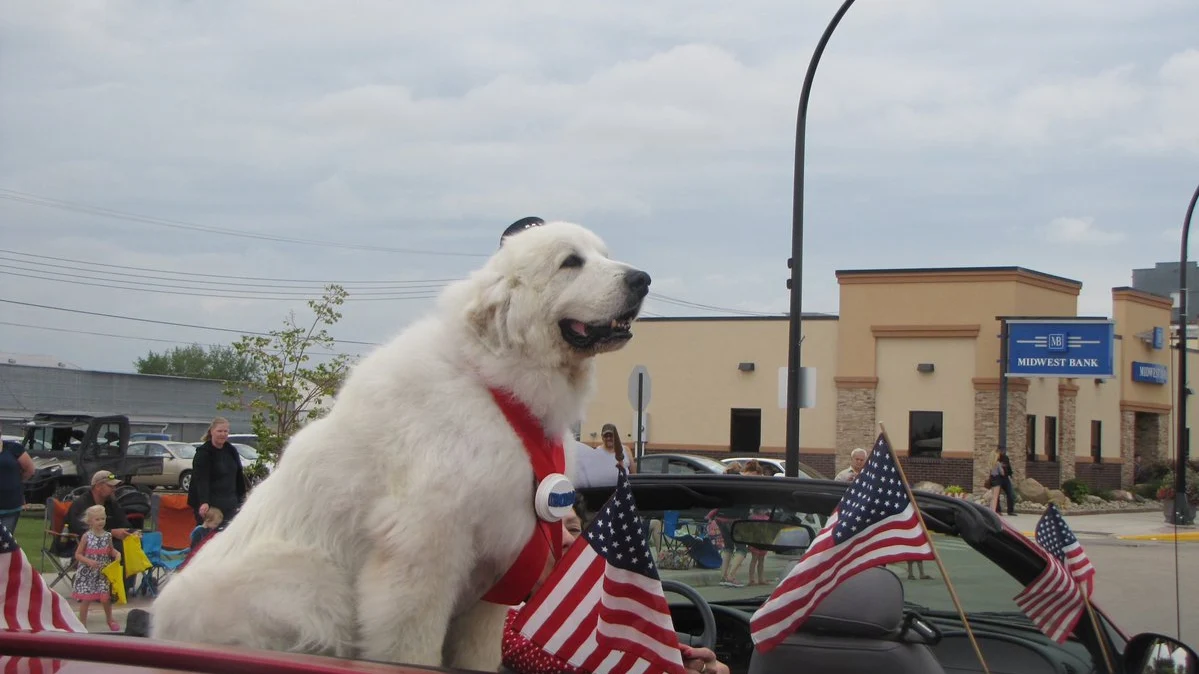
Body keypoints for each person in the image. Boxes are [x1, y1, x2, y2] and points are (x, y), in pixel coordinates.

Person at [502, 495, 729, 674]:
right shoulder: (501, 622)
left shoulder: (612, 608)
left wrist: (695, 664)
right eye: (548, 531)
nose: (569, 540)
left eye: (573, 529)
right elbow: (572, 662)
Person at [188, 417, 247, 526]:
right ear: (211, 432)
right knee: (209, 537)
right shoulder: (203, 453)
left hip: (230, 503)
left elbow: (238, 475)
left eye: (226, 431)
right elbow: (201, 480)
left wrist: (243, 499)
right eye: (219, 431)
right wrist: (204, 502)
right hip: (211, 506)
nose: (223, 434)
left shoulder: (231, 450)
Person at [73, 504, 122, 631]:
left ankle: (110, 619)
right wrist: (88, 561)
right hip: (88, 573)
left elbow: (110, 550)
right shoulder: (87, 536)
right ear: (90, 521)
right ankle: (82, 622)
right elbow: (78, 555)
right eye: (97, 519)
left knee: (105, 598)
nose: (101, 522)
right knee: (86, 599)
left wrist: (117, 554)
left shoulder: (107, 536)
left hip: (102, 572)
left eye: (103, 519)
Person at [572, 423, 635, 487]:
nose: (608, 438)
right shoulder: (596, 452)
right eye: (606, 436)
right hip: (601, 492)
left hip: (622, 491)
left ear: (616, 436)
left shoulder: (625, 450)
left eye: (611, 435)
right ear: (602, 437)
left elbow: (633, 474)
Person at [0, 426, 36, 533]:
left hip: (11, 504)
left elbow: (29, 470)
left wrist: (15, 481)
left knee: (5, 540)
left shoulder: (13, 448)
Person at [996, 449, 1016, 516]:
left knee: (1010, 494)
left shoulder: (1006, 458)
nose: (1002, 452)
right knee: (997, 495)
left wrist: (1010, 474)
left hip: (1005, 478)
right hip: (998, 478)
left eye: (1002, 451)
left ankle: (1010, 511)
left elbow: (1009, 467)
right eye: (1000, 451)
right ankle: (998, 510)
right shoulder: (995, 458)